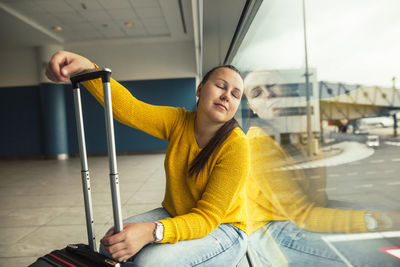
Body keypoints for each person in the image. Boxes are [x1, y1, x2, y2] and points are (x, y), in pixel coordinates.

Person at [46, 51, 250, 266]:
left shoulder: (236, 145)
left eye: (235, 94)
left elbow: (207, 218)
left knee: (151, 262)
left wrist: (153, 231)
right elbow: (130, 109)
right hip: (178, 214)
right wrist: (87, 68)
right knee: (111, 243)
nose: (227, 95)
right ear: (200, 89)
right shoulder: (179, 122)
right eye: (220, 86)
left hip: (225, 230)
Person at [243, 70, 400, 266]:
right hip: (275, 229)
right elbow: (304, 215)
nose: (268, 94)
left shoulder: (298, 129)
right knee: (383, 257)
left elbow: (316, 197)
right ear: (253, 108)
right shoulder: (257, 143)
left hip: (310, 211)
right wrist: (378, 221)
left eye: (272, 85)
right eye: (257, 93)